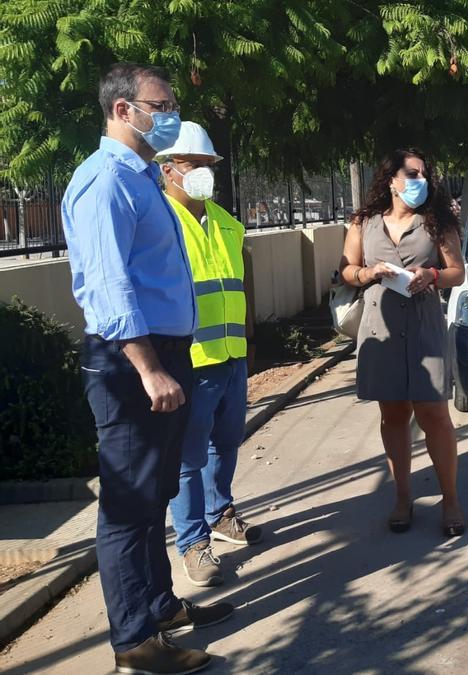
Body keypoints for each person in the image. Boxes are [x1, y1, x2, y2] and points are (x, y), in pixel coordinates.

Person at [62, 62, 231, 675]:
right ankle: (134, 642)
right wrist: (148, 368)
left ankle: (160, 606)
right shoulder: (104, 182)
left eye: (171, 105)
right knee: (130, 505)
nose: (170, 116)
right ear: (121, 111)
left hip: (164, 352)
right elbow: (109, 287)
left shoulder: (141, 181)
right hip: (132, 359)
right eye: (159, 105)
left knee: (156, 490)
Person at [156, 122, 263, 588]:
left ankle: (220, 514)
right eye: (192, 164)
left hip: (232, 356)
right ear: (167, 170)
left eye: (207, 165)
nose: (202, 172)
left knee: (226, 443)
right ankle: (192, 542)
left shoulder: (227, 222)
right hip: (190, 362)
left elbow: (241, 287)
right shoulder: (160, 223)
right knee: (187, 457)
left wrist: (248, 344)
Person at [339, 149, 467, 536]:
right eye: (412, 174)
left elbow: (457, 272)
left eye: (424, 174)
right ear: (391, 179)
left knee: (434, 416)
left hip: (425, 325)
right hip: (381, 329)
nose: (419, 181)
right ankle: (402, 498)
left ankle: (451, 500)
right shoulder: (364, 222)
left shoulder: (436, 222)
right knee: (393, 416)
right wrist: (367, 272)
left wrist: (431, 275)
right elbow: (345, 269)